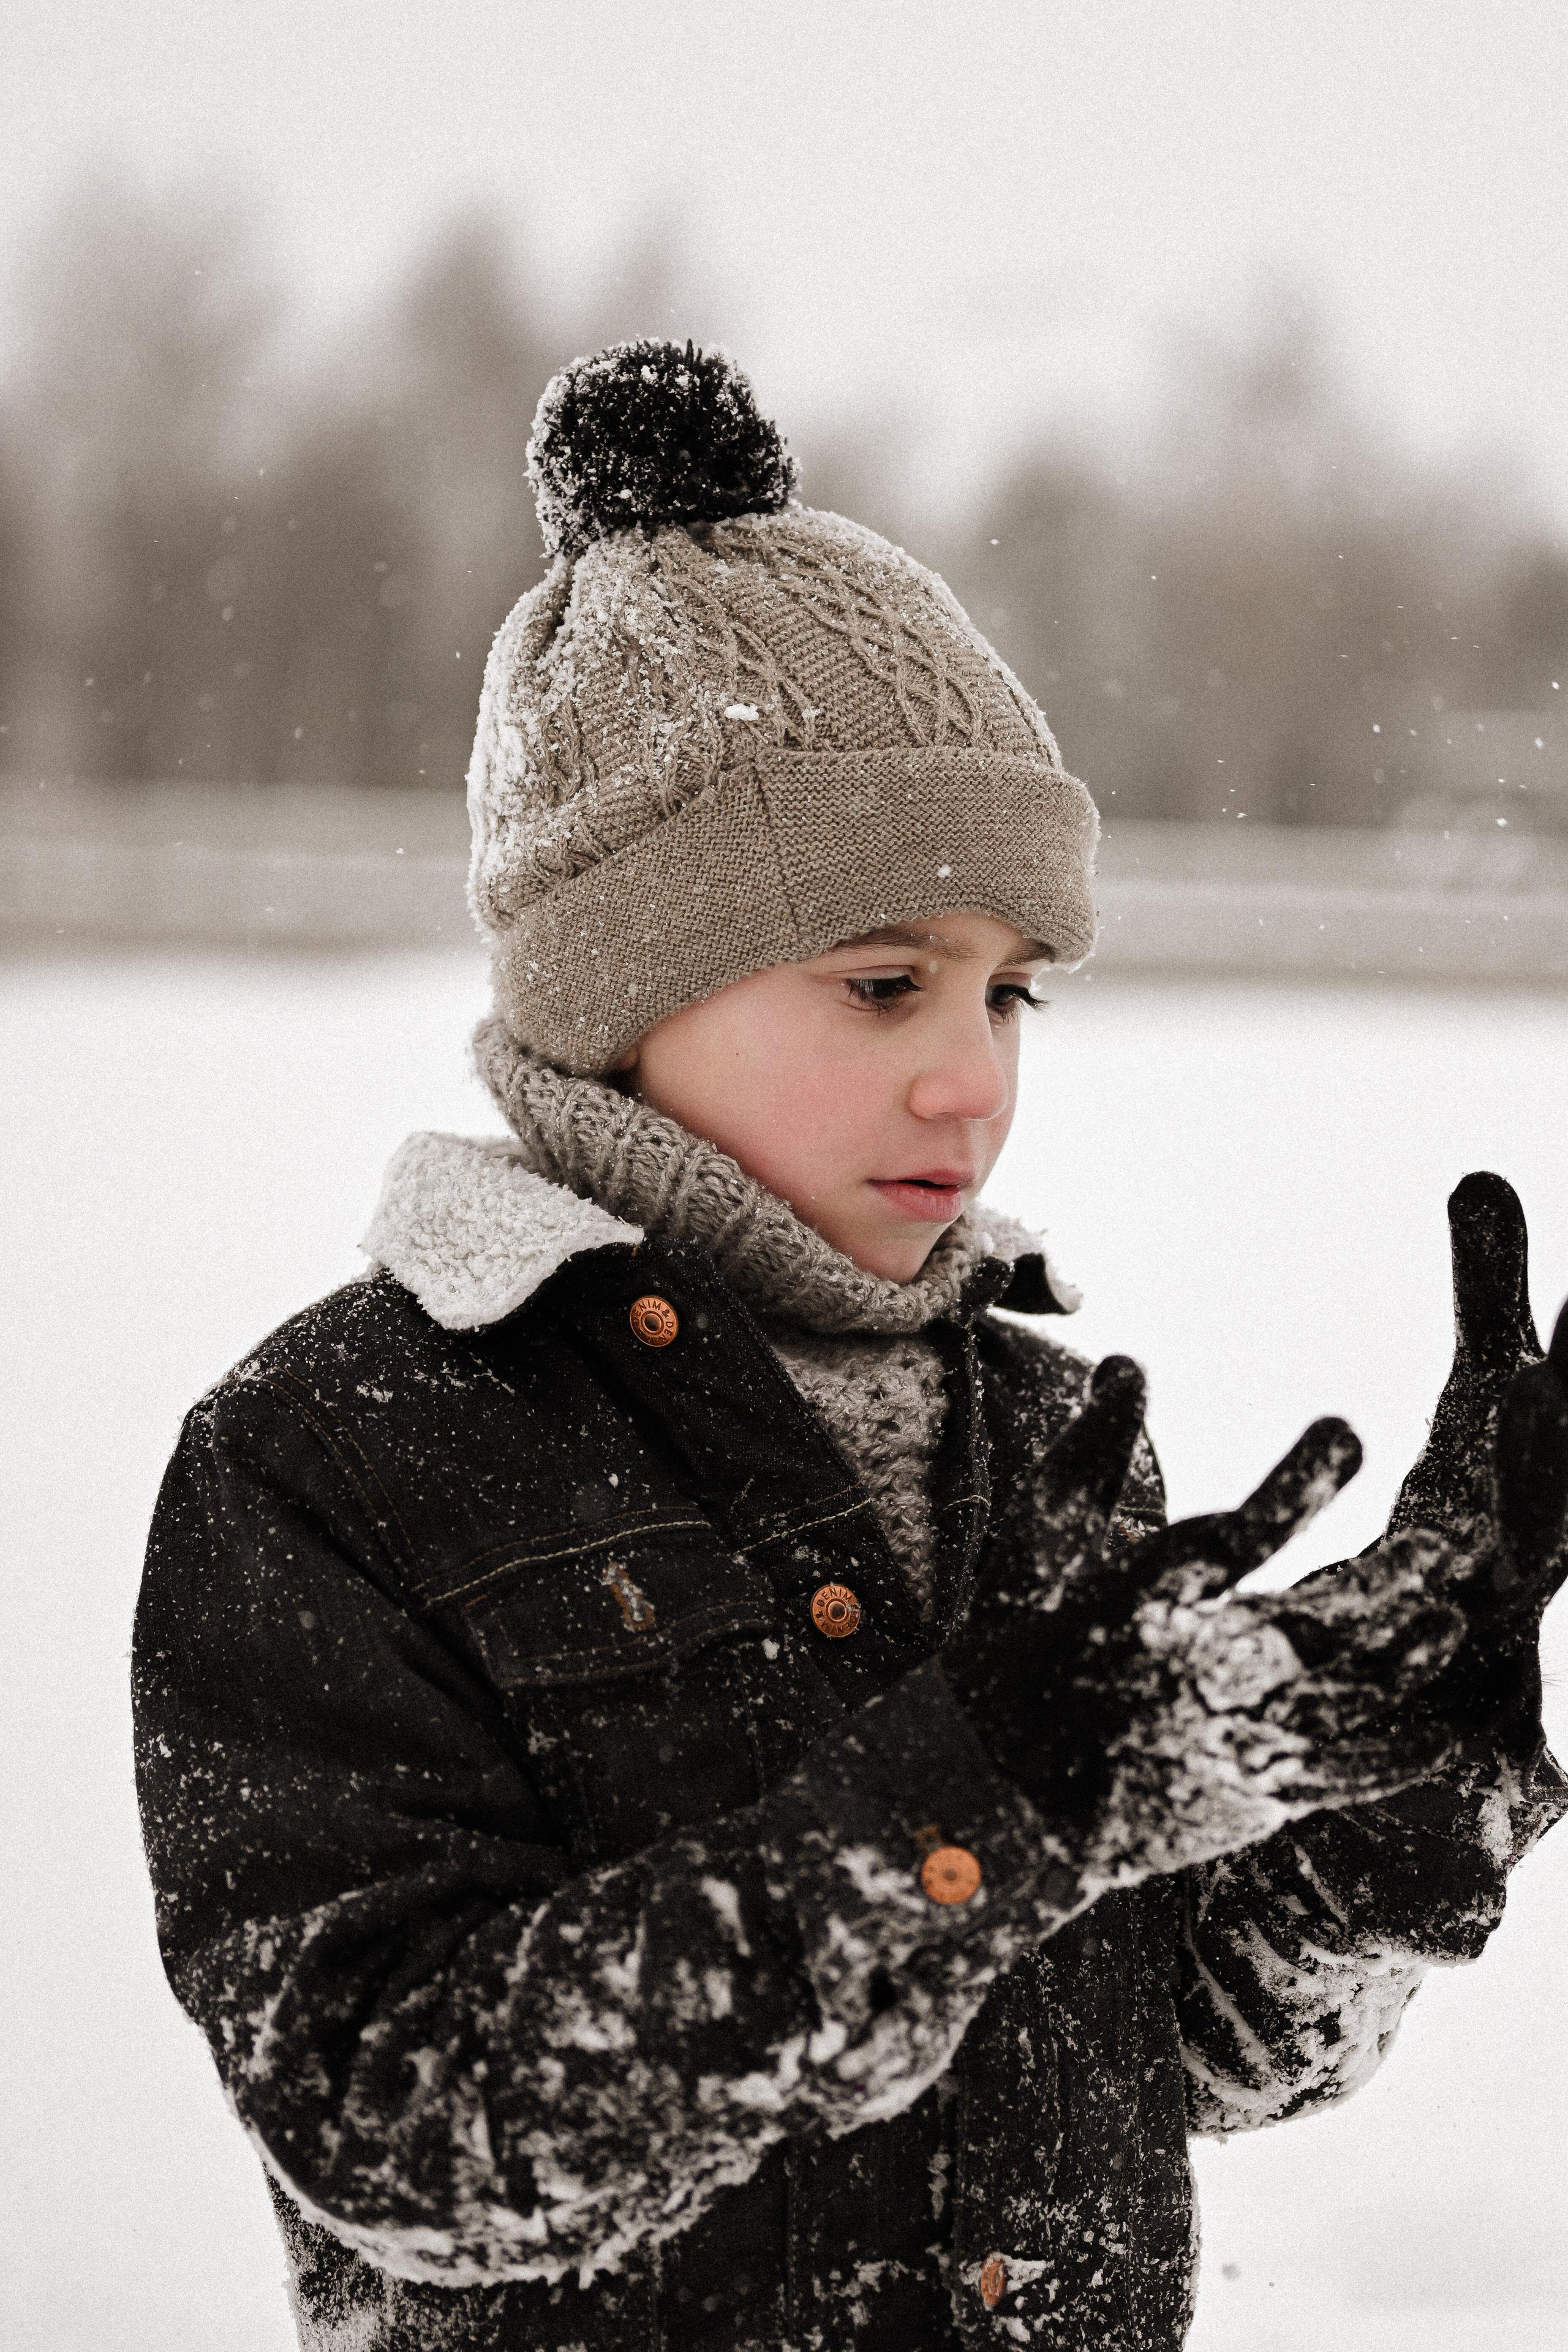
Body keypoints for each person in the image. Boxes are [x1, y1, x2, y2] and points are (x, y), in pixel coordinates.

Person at [132, 342, 1568, 2351]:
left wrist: (1402, 1784)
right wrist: (960, 1816)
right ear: (626, 985)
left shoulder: (1048, 1441)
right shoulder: (345, 1453)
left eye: (1011, 1000)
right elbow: (401, 2128)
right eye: (885, 984)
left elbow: (1158, 2059)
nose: (968, 1086)